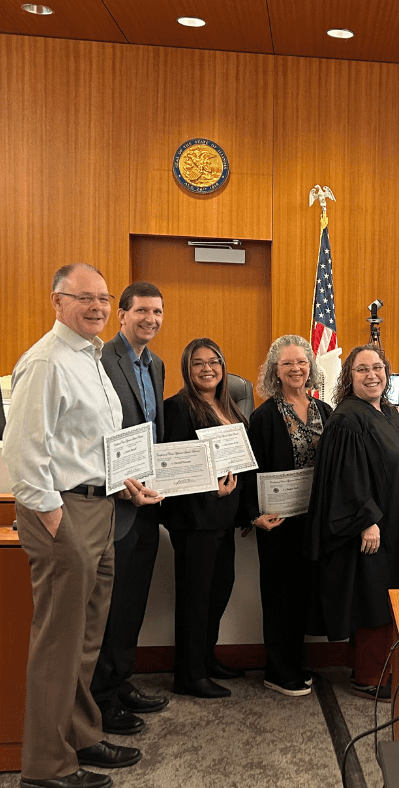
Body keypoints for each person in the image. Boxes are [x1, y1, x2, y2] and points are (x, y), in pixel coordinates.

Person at [3, 264, 159, 788]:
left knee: (87, 638)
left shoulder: (90, 359)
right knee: (58, 643)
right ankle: (46, 767)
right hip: (64, 513)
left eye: (101, 297)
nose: (95, 306)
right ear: (56, 301)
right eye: (82, 297)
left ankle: (81, 734)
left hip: (103, 506)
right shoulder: (46, 362)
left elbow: (92, 445)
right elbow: (24, 451)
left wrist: (127, 483)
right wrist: (54, 518)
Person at [306, 345, 399, 701]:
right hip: (376, 530)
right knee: (373, 598)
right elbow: (346, 478)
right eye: (362, 369)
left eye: (378, 368)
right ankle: (371, 675)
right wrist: (366, 521)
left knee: (393, 597)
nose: (372, 375)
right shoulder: (347, 420)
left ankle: (389, 669)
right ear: (349, 377)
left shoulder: (389, 412)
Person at [91, 282, 170, 736]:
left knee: (134, 600)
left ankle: (121, 683)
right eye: (142, 311)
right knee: (110, 606)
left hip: (148, 501)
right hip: (114, 503)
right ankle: (100, 700)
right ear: (121, 315)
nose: (151, 320)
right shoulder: (102, 360)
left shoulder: (155, 364)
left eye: (157, 312)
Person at [242, 335, 332, 697]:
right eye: (287, 364)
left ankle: (293, 661)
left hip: (313, 520)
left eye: (302, 362)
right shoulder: (263, 416)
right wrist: (253, 515)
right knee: (280, 595)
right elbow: (249, 470)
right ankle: (278, 671)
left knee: (304, 593)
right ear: (274, 371)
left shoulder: (324, 411)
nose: (296, 369)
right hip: (277, 522)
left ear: (311, 367)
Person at [162, 338, 245, 699]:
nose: (207, 368)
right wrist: (209, 489)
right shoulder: (177, 409)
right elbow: (173, 470)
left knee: (218, 592)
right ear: (187, 369)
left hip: (223, 520)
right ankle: (189, 674)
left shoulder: (230, 407)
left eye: (214, 361)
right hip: (195, 521)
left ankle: (206, 657)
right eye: (198, 363)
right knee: (195, 598)